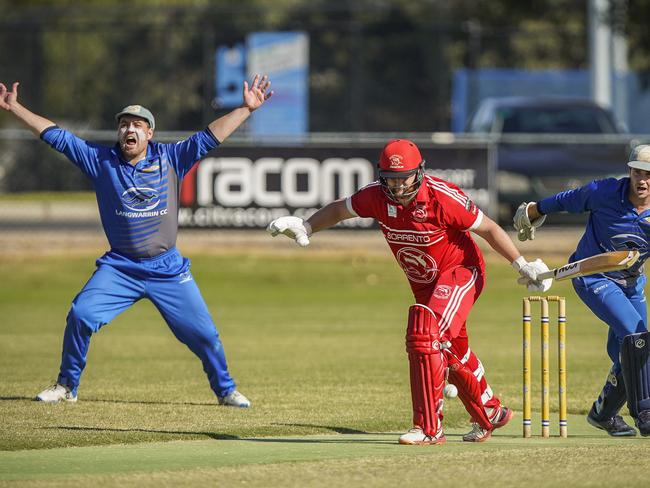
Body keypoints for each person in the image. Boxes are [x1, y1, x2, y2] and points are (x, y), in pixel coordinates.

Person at [0, 75, 274, 407]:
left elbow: (210, 136)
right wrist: (15, 108)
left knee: (205, 336)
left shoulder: (170, 158)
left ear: (149, 133)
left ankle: (225, 390)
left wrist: (246, 109)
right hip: (120, 268)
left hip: (167, 268)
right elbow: (56, 137)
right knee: (81, 315)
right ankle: (67, 386)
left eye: (137, 125)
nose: (129, 130)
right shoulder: (100, 160)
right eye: (124, 124)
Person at [268, 139, 551, 444]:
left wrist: (521, 265)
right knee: (453, 350)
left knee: (425, 336)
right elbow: (340, 209)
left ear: (420, 172)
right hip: (426, 287)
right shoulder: (375, 196)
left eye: (404, 178)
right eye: (391, 179)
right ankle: (490, 412)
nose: (398, 187)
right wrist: (307, 227)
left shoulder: (441, 197)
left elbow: (489, 229)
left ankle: (429, 429)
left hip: (461, 273)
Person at [513, 145, 650, 437]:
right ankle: (646, 413)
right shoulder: (605, 192)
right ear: (630, 171)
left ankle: (603, 413)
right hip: (592, 275)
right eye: (638, 172)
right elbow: (569, 199)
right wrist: (533, 210)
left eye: (649, 175)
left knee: (632, 354)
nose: (643, 180)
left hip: (632, 282)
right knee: (637, 337)